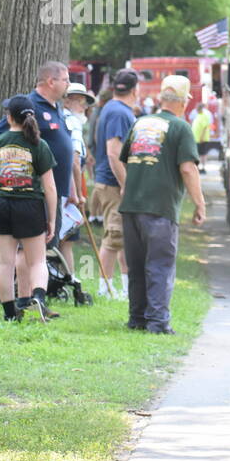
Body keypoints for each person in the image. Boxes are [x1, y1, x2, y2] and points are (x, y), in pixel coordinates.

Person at [119, 74, 206, 334]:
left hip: (131, 206)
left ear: (161, 98)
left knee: (136, 265)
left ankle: (137, 319)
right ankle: (157, 323)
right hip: (160, 208)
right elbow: (188, 169)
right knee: (159, 266)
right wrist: (199, 204)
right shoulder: (180, 128)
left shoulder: (140, 122)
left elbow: (125, 160)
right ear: (183, 102)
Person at [0, 61, 77, 308]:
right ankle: (26, 299)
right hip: (33, 194)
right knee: (27, 252)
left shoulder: (56, 107)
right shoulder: (28, 107)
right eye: (65, 79)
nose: (68, 84)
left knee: (38, 251)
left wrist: (72, 189)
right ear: (51, 81)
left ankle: (27, 300)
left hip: (55, 189)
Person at [0, 95, 57, 322]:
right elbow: (50, 187)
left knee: (5, 262)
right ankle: (38, 297)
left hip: (2, 204)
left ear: (9, 117)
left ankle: (9, 313)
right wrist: (51, 219)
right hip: (30, 205)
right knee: (37, 261)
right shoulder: (38, 145)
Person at [90, 69, 139, 299]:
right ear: (135, 89)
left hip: (108, 181)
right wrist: (125, 183)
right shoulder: (120, 113)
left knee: (122, 237)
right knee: (113, 238)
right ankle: (105, 290)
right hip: (113, 184)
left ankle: (127, 288)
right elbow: (113, 152)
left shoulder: (111, 108)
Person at [60, 82, 95, 275]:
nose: (84, 107)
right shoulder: (72, 122)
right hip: (68, 187)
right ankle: (68, 279)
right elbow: (74, 161)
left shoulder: (61, 118)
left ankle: (63, 278)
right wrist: (78, 193)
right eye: (81, 101)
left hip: (60, 185)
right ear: (68, 100)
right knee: (68, 237)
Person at [191, 101, 213, 171]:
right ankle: (198, 167)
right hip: (197, 138)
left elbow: (204, 128)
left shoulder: (204, 116)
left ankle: (202, 168)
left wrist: (201, 137)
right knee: (199, 154)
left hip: (201, 139)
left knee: (202, 154)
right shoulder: (199, 115)